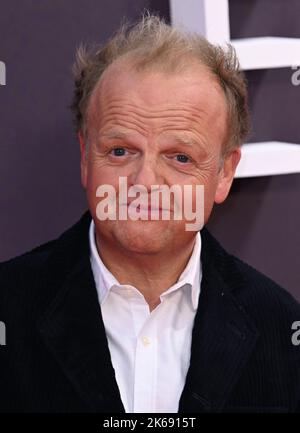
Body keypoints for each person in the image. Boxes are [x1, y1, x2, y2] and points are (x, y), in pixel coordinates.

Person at [0, 14, 299, 413]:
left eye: (179, 157)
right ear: (85, 157)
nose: (144, 182)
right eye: (120, 150)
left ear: (225, 173)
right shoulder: (9, 307)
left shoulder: (282, 330)